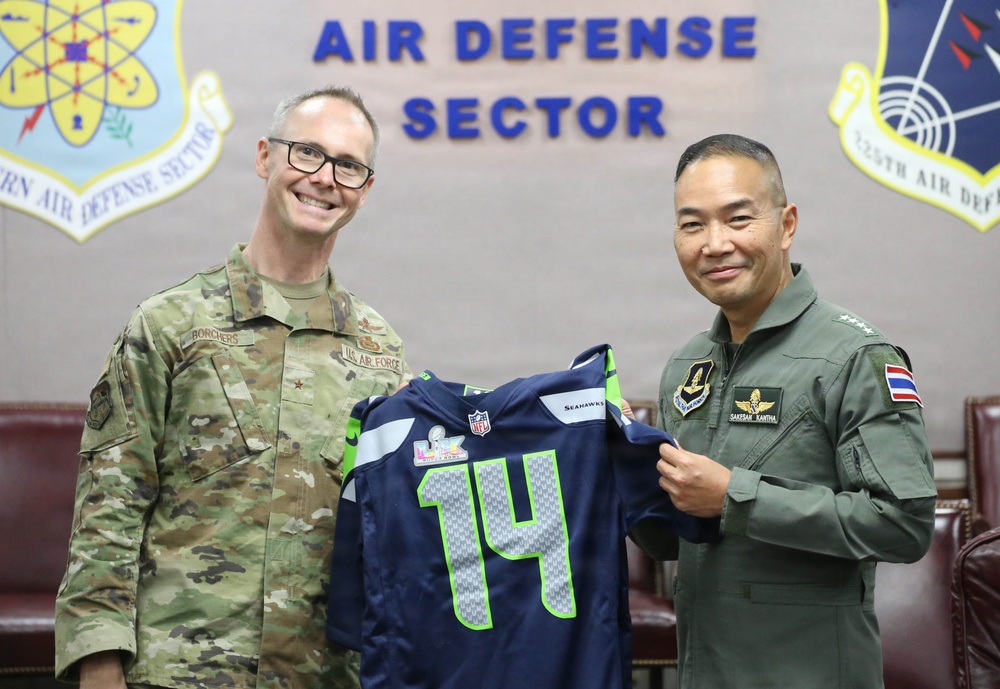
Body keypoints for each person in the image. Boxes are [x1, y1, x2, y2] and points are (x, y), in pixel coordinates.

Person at [54, 85, 410, 689]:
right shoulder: (169, 325)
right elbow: (108, 513)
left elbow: (392, 538)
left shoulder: (380, 352)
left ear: (364, 189)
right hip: (179, 671)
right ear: (265, 158)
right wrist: (99, 665)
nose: (324, 178)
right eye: (307, 153)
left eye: (348, 164)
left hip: (322, 676)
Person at [634, 133, 937, 688]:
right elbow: (678, 538)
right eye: (692, 224)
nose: (714, 243)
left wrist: (736, 497)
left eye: (738, 218)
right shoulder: (687, 365)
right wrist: (622, 485)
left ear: (787, 224)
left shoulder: (854, 356)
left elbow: (903, 526)